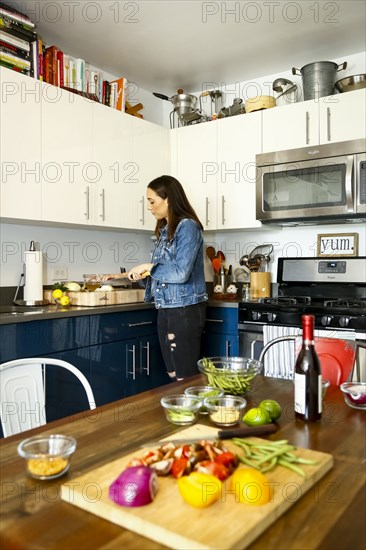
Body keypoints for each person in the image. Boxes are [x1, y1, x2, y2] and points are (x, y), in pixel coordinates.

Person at [107, 175, 207, 380]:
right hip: (166, 309)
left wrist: (150, 267)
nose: (149, 206)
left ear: (168, 199)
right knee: (172, 373)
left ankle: (193, 411)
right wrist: (140, 275)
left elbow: (180, 273)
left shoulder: (188, 226)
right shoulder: (164, 231)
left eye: (152, 201)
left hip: (184, 310)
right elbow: (165, 273)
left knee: (184, 377)